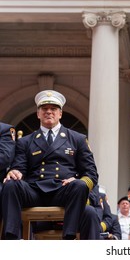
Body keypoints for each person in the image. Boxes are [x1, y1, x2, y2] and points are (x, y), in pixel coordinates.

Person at [2, 89, 98, 240]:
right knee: (10, 185)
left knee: (80, 185)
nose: (49, 112)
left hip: (64, 190)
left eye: (53, 109)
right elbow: (20, 167)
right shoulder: (25, 141)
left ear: (60, 114)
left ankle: (69, 236)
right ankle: (12, 238)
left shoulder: (77, 139)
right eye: (44, 109)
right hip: (35, 191)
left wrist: (77, 180)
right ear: (38, 114)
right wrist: (15, 172)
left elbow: (91, 173)